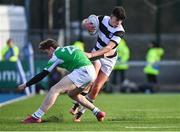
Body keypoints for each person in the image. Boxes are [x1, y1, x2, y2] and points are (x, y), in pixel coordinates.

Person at [17, 38, 105, 123]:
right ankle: (97, 112)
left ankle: (36, 117)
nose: (48, 56)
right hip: (91, 71)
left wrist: (26, 85)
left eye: (47, 52)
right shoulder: (70, 47)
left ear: (51, 48)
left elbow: (42, 74)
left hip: (82, 71)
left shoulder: (56, 55)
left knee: (54, 90)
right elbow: (84, 57)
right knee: (72, 94)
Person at [70, 6, 126, 122]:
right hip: (96, 55)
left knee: (96, 88)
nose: (117, 24)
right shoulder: (102, 19)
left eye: (119, 22)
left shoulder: (120, 31)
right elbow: (85, 22)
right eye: (116, 21)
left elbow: (109, 48)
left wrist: (90, 55)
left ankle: (81, 111)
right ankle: (76, 104)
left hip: (109, 59)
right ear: (111, 17)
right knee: (92, 77)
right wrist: (86, 24)